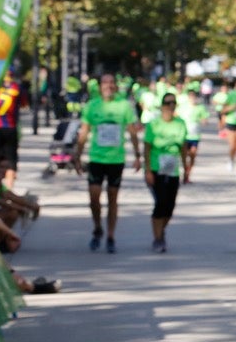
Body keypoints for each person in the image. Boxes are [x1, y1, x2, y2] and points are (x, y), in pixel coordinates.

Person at [75, 72, 142, 253]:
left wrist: (137, 155)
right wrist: (77, 155)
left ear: (116, 86)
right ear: (99, 86)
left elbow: (132, 130)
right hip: (96, 158)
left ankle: (111, 235)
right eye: (105, 83)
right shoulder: (92, 105)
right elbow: (84, 131)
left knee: (113, 197)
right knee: (94, 196)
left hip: (116, 158)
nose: (109, 86)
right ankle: (98, 227)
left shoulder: (124, 106)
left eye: (112, 82)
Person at [142, 94, 189, 253]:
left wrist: (186, 166)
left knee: (170, 206)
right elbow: (147, 147)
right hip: (156, 168)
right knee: (160, 203)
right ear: (162, 106)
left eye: (173, 103)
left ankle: (161, 229)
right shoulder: (153, 124)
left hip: (172, 169)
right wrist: (148, 170)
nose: (171, 106)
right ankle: (158, 238)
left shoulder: (180, 123)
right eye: (168, 103)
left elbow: (183, 146)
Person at [0, 77, 29, 191]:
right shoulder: (17, 88)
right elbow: (24, 104)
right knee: (11, 160)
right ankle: (9, 190)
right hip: (11, 127)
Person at [177, 88, 205, 184]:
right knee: (184, 156)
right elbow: (175, 116)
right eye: (191, 97)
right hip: (184, 136)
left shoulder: (200, 108)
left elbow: (205, 119)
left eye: (194, 97)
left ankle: (188, 174)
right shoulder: (182, 107)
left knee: (193, 155)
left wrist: (202, 120)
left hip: (195, 136)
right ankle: (185, 173)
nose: (192, 99)